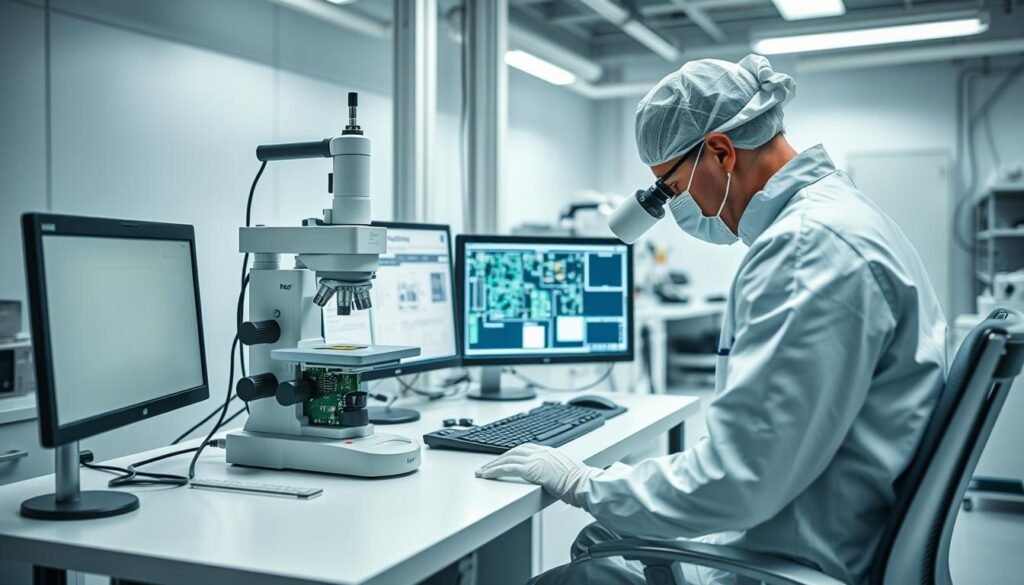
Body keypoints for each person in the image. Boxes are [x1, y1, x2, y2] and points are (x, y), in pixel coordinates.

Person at [476, 54, 949, 585]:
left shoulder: (805, 248)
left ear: (721, 152)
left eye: (673, 188)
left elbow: (737, 480)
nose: (679, 207)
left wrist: (583, 482)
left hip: (789, 564)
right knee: (598, 539)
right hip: (814, 525)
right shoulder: (838, 218)